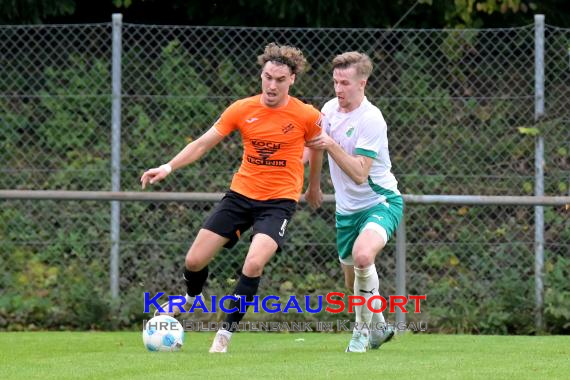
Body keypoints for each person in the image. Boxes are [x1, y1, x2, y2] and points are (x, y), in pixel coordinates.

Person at [140, 42, 323, 353]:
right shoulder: (242, 108)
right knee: (194, 260)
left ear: (292, 78)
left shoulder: (306, 114)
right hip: (240, 195)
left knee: (253, 264)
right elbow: (202, 143)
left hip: (278, 202)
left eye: (279, 79)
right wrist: (167, 166)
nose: (272, 85)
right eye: (267, 77)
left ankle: (224, 335)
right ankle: (190, 297)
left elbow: (316, 147)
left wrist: (314, 187)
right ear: (261, 75)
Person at [305, 52, 403, 352]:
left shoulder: (371, 119)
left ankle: (360, 334)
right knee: (353, 284)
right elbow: (314, 149)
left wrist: (331, 143)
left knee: (363, 257)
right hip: (346, 212)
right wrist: (313, 185)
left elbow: (361, 173)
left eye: (344, 83)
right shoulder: (329, 109)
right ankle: (379, 327)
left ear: (362, 83)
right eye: (335, 82)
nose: (338, 89)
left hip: (380, 201)